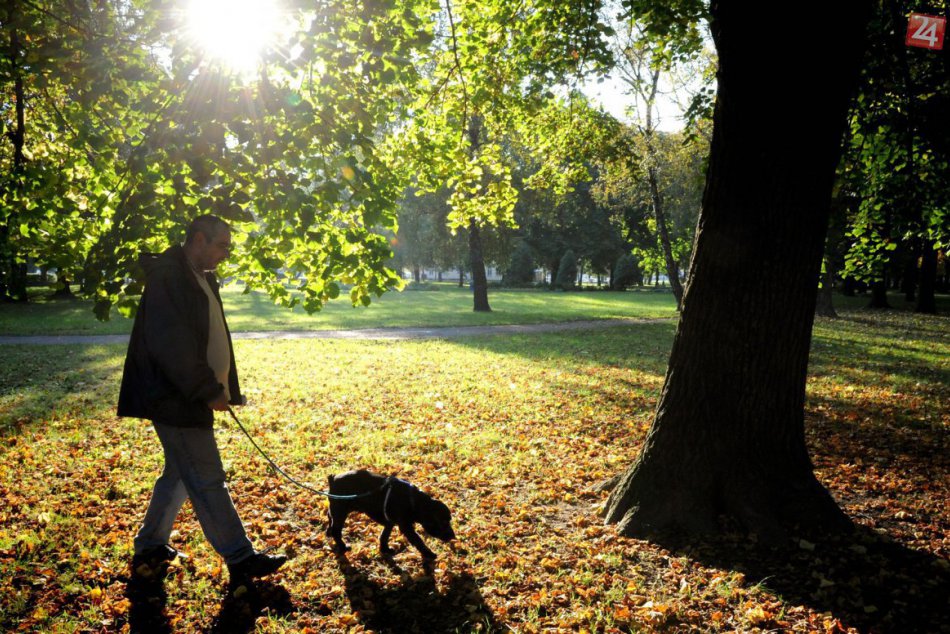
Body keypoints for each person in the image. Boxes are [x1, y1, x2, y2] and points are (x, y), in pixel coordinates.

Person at [118, 214, 286, 584]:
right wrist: (207, 389)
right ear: (198, 239)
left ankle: (149, 543)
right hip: (174, 397)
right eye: (221, 244)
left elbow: (206, 335)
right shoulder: (169, 277)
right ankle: (240, 557)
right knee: (207, 476)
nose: (227, 252)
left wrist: (221, 385)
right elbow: (171, 344)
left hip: (187, 395)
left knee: (179, 473)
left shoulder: (201, 276)